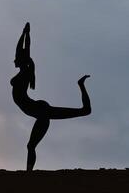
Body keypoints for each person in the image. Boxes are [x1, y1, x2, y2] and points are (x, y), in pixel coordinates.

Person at [10, 22, 92, 171]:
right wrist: (23, 33)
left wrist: (27, 35)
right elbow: (19, 50)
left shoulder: (26, 72)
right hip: (39, 109)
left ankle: (29, 173)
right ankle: (28, 172)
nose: (14, 59)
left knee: (85, 111)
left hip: (41, 111)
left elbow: (25, 50)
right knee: (84, 111)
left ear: (22, 60)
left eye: (17, 58)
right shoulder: (23, 70)